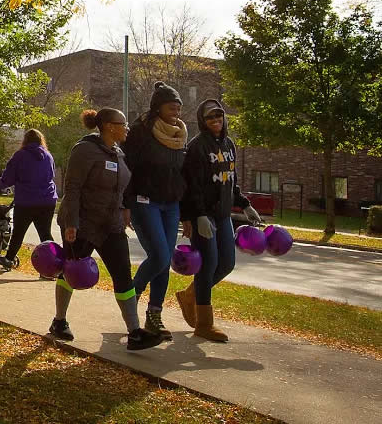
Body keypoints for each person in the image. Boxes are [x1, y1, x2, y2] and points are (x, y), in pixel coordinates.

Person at [51, 108, 163, 351]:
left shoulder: (118, 153)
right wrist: (71, 223)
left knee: (123, 276)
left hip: (111, 225)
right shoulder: (85, 150)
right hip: (84, 223)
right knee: (72, 272)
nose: (127, 128)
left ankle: (134, 333)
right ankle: (59, 321)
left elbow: (118, 188)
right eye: (123, 124)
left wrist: (124, 208)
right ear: (110, 126)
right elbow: (73, 188)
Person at [178, 99, 261, 342]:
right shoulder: (197, 147)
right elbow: (192, 186)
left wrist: (245, 204)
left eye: (219, 116)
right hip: (203, 215)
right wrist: (198, 215)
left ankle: (190, 295)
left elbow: (229, 181)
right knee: (209, 264)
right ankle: (204, 324)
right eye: (210, 118)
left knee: (226, 264)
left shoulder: (229, 144)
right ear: (203, 122)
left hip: (223, 215)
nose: (215, 121)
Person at [122, 82, 189, 342]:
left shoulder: (179, 134)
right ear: (157, 106)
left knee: (164, 262)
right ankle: (131, 297)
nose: (176, 109)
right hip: (144, 201)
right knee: (160, 256)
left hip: (171, 204)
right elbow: (127, 170)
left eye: (179, 106)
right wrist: (125, 205)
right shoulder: (140, 131)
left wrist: (186, 211)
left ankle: (154, 316)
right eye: (171, 105)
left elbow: (183, 173)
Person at [0, 128, 57, 272]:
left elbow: (9, 175)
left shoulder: (20, 156)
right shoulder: (48, 156)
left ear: (25, 141)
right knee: (45, 233)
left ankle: (9, 258)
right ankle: (55, 263)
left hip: (26, 200)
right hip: (47, 199)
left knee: (19, 231)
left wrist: (1, 185)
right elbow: (52, 174)